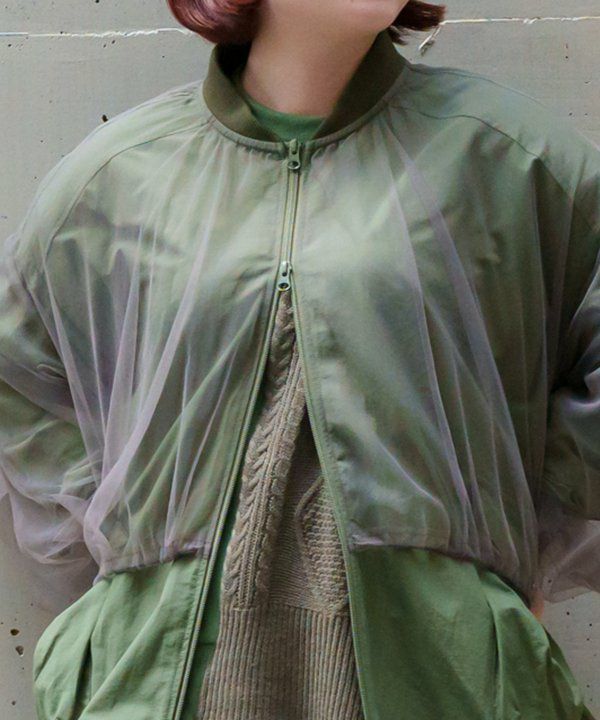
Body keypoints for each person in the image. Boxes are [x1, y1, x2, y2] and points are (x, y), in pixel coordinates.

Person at [0, 1, 598, 718]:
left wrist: (504, 554)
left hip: (445, 681)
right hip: (159, 687)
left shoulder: (508, 158)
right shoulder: (119, 176)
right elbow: (20, 378)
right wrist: (122, 571)